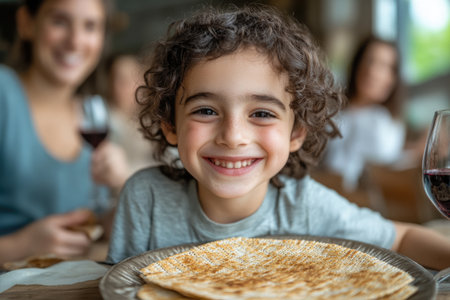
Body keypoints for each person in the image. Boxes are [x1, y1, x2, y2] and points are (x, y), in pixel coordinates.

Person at [106, 5, 450, 270]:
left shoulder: (304, 205)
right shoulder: (145, 199)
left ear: (296, 132)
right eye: (206, 110)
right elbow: (120, 285)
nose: (233, 136)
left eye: (262, 113)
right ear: (170, 124)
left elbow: (401, 236)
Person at [0, 0, 130, 264]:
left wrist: (126, 188)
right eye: (60, 21)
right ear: (26, 23)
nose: (75, 41)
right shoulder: (4, 94)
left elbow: (98, 224)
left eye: (90, 26)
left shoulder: (93, 116)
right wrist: (20, 244)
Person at [322, 36, 408, 191]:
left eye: (384, 66)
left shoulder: (384, 123)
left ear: (393, 79)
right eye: (369, 60)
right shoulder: (328, 109)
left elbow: (386, 162)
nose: (372, 71)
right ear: (357, 64)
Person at [105, 53, 159, 174]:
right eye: (117, 79)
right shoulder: (103, 119)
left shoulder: (151, 121)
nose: (120, 86)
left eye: (128, 80)